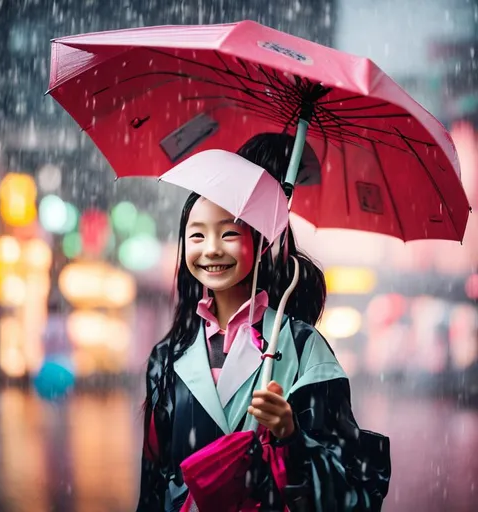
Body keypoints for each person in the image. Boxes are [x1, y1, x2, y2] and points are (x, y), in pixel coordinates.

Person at [137, 134, 391, 512]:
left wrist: (290, 435)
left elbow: (348, 478)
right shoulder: (167, 355)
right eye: (197, 235)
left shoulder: (303, 349)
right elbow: (155, 481)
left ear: (259, 244)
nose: (211, 249)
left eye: (227, 234)